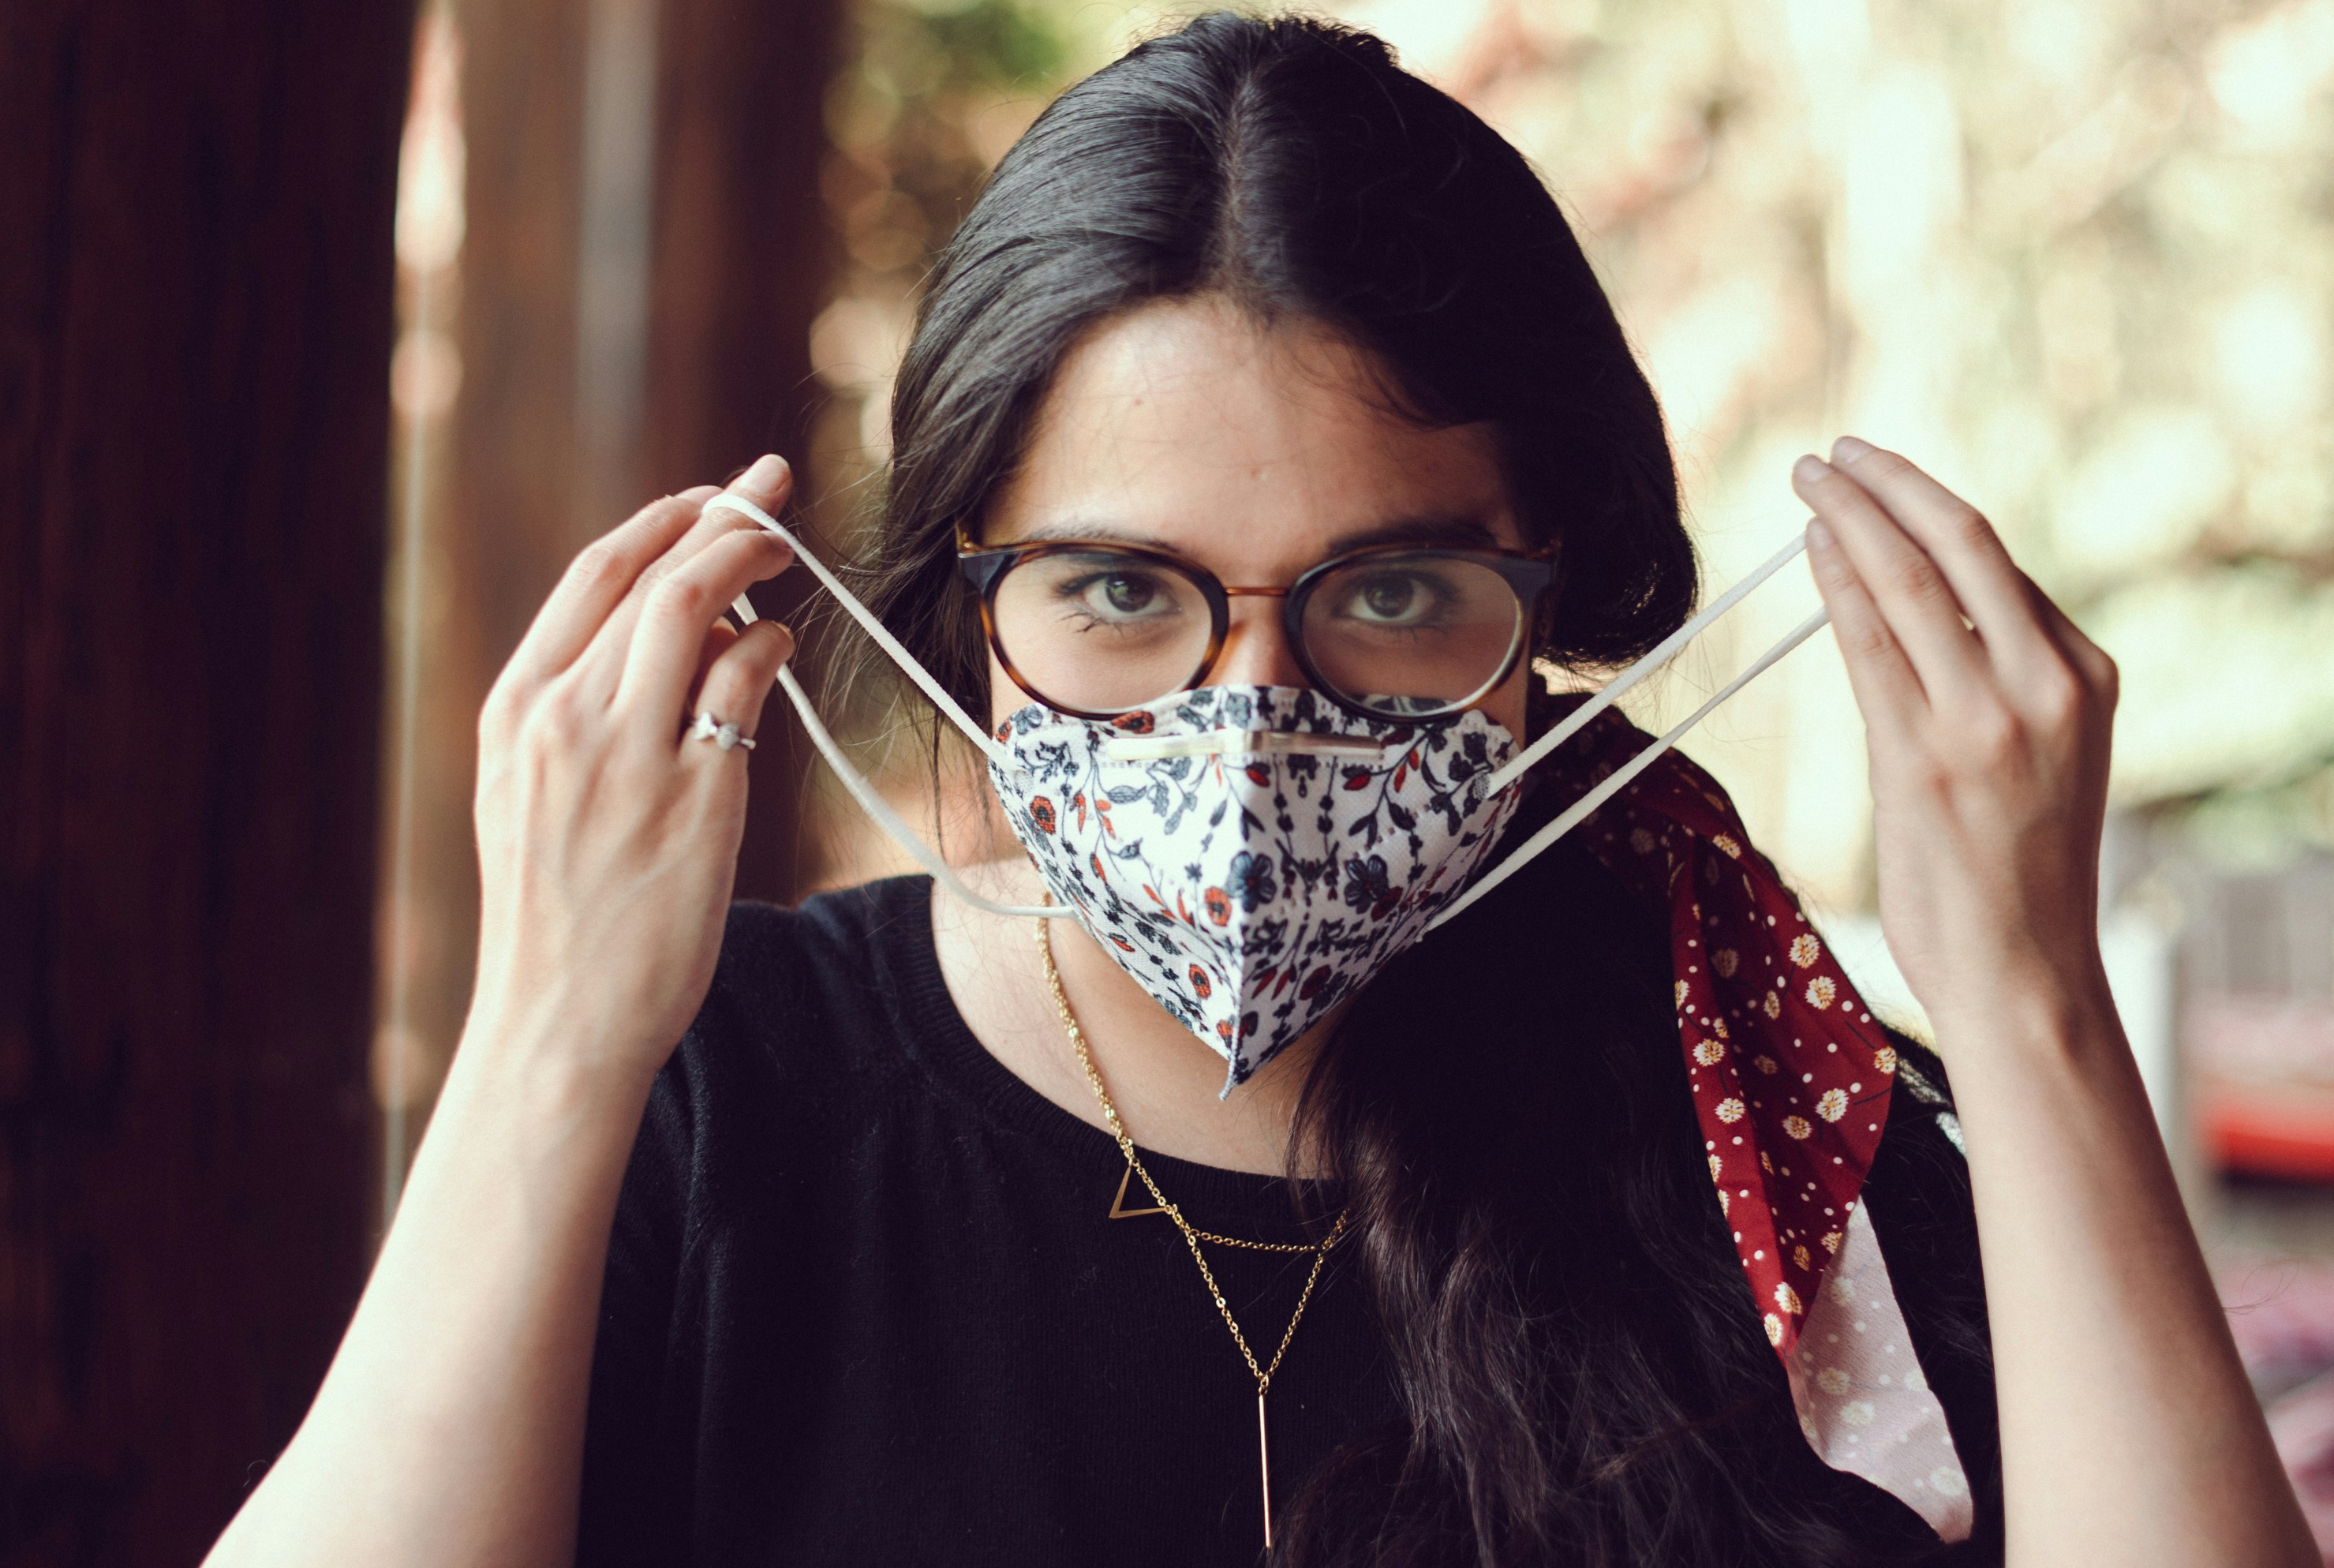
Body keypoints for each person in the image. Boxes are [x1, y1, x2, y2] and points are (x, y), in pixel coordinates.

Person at [203, 13, 2310, 1567]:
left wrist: (2032, 1003)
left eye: (1388, 591)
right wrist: (544, 1041)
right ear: (960, 602)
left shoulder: (1754, 1110)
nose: (1252, 726)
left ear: (1551, 593)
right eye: (1124, 590)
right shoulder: (708, 1099)